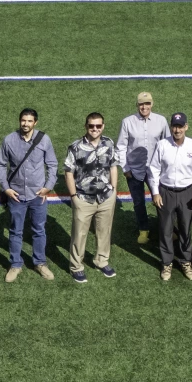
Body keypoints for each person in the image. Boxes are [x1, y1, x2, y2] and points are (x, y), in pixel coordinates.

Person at [0, 108, 58, 283]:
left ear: (35, 123)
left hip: (38, 195)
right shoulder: (9, 140)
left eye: (30, 121)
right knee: (15, 231)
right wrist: (6, 188)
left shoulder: (44, 139)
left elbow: (52, 165)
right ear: (19, 120)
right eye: (23, 120)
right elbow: (0, 165)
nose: (26, 124)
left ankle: (40, 263)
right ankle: (15, 264)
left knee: (39, 230)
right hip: (16, 195)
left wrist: (48, 187)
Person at [148, 112, 192, 281]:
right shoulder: (162, 145)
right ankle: (167, 263)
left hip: (187, 193)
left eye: (180, 126)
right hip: (165, 192)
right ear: (171, 127)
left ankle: (185, 261)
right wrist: (155, 192)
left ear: (186, 126)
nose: (177, 130)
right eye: (174, 126)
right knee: (165, 229)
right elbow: (154, 170)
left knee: (185, 229)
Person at [65, 112, 119, 283]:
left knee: (104, 231)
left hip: (106, 197)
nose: (95, 129)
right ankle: (76, 266)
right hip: (83, 198)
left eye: (98, 126)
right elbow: (68, 173)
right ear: (86, 126)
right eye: (91, 126)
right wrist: (74, 196)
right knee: (79, 235)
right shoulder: (75, 147)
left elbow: (113, 167)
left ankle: (101, 261)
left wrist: (114, 189)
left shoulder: (109, 143)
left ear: (103, 126)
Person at [116, 92, 171, 245]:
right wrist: (125, 168)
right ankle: (143, 229)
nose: (144, 107)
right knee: (138, 201)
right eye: (141, 104)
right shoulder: (127, 122)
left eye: (147, 104)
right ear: (137, 105)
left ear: (152, 104)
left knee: (161, 200)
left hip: (156, 170)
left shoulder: (161, 120)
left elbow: (167, 144)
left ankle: (167, 229)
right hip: (134, 170)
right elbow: (121, 146)